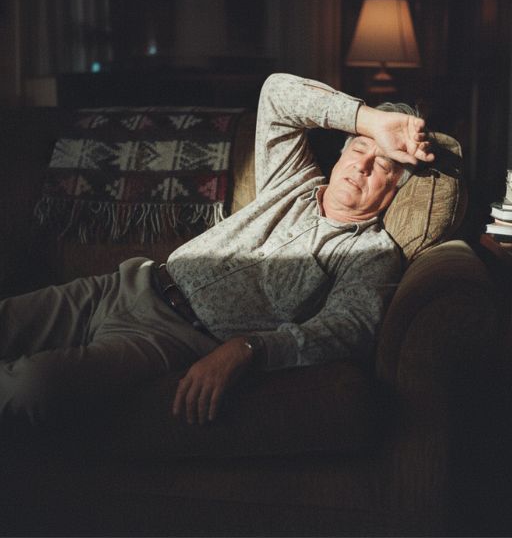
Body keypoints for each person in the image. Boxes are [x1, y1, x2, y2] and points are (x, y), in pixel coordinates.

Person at [0, 73, 434, 430]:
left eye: (382, 164)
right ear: (340, 155)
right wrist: (369, 121)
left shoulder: (372, 254)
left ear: (396, 187)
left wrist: (248, 348)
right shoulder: (293, 181)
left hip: (164, 338)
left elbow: (348, 329)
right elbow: (277, 94)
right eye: (358, 149)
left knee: (31, 388)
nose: (362, 165)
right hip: (124, 285)